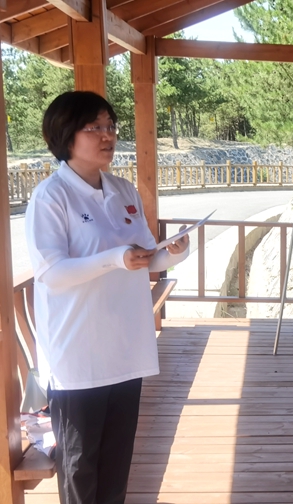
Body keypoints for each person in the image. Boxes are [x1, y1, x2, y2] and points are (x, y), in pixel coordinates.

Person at [25, 91, 190, 504]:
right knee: (81, 469)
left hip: (126, 349)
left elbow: (147, 256)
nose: (107, 136)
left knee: (116, 466)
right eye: (94, 127)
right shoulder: (51, 196)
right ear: (66, 135)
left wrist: (174, 252)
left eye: (111, 126)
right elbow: (52, 272)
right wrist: (116, 258)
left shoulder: (123, 189)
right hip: (78, 357)